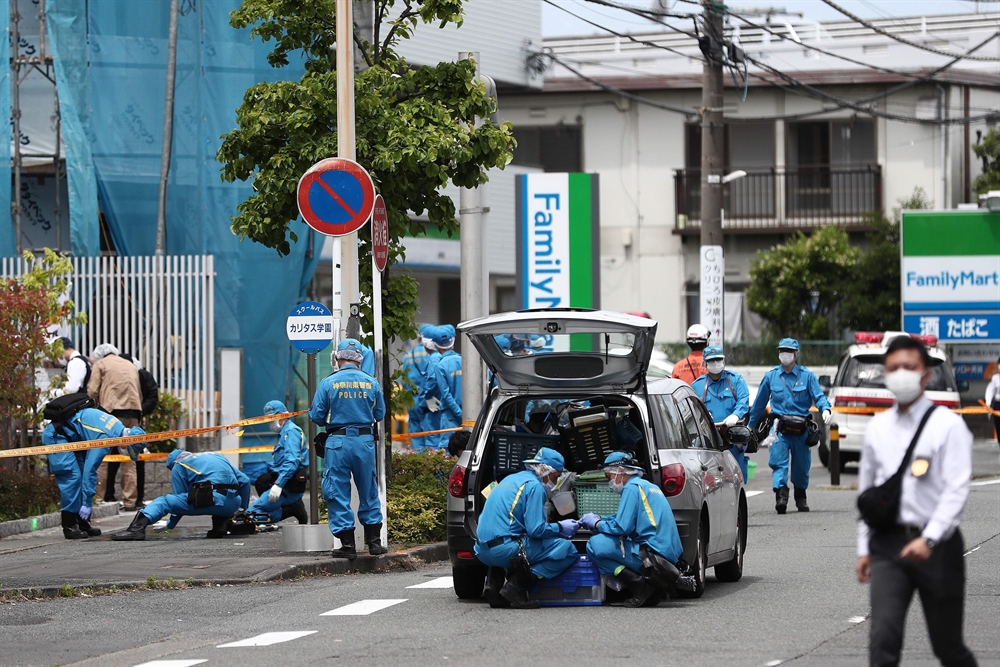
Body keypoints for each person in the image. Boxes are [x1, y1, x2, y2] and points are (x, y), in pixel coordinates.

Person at [855, 335, 977, 667]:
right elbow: (867, 494)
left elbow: (956, 489)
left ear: (926, 375)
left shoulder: (948, 426)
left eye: (909, 367)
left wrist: (931, 537)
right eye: (893, 368)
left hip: (937, 548)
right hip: (888, 547)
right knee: (883, 642)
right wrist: (864, 548)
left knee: (948, 646)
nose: (901, 374)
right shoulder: (878, 428)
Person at [309, 338, 387, 559]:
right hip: (364, 443)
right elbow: (379, 414)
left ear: (337, 357)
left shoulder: (328, 382)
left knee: (337, 491)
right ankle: (374, 542)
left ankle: (348, 546)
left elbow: (316, 416)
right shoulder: (371, 383)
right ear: (360, 359)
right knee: (368, 490)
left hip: (337, 443)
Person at [474, 447, 580, 609]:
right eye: (557, 476)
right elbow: (536, 530)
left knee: (513, 536)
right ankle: (515, 587)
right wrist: (560, 527)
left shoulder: (510, 479)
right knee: (567, 549)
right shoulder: (535, 486)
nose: (556, 482)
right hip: (504, 550)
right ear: (546, 470)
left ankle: (494, 584)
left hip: (481, 550)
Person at [581, 451, 684, 607]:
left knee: (596, 544)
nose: (610, 483)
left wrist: (596, 524)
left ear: (621, 471)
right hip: (666, 555)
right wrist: (602, 519)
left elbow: (622, 527)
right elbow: (627, 517)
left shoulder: (631, 489)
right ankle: (646, 586)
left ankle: (640, 586)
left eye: (609, 477)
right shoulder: (648, 486)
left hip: (653, 556)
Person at [749, 338, 832, 514]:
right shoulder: (771, 376)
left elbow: (819, 396)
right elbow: (758, 404)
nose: (785, 354)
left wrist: (825, 409)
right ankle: (781, 495)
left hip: (802, 427)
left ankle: (800, 496)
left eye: (789, 351)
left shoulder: (807, 376)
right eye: (782, 351)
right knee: (778, 462)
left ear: (796, 354)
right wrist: (750, 426)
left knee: (802, 465)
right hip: (780, 427)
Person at [43, 407, 145, 539]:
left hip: (72, 437)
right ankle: (69, 524)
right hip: (58, 436)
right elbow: (89, 472)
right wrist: (86, 503)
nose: (126, 451)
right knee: (73, 477)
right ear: (127, 441)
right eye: (130, 448)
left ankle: (81, 522)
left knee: (79, 474)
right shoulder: (106, 437)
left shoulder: (117, 426)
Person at [112, 449, 251, 541]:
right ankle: (219, 527)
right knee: (216, 495)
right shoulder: (217, 456)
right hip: (233, 502)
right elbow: (244, 481)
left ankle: (136, 529)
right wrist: (241, 510)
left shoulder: (179, 465)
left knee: (164, 501)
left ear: (174, 463)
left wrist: (170, 524)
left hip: (213, 500)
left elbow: (178, 500)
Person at [88, 343, 143, 511]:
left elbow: (92, 390)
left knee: (102, 456)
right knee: (129, 458)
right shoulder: (130, 365)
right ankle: (130, 501)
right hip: (133, 412)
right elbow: (139, 392)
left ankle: (98, 498)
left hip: (111, 413)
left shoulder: (101, 364)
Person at [691, 345, 751, 482]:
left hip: (732, 435)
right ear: (705, 363)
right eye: (711, 361)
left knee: (736, 476)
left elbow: (744, 399)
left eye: (718, 360)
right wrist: (703, 417)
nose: (715, 363)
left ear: (723, 361)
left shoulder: (736, 380)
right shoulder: (697, 385)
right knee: (711, 477)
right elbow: (691, 408)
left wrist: (735, 415)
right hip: (709, 437)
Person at [246, 400, 308, 524]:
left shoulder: (291, 432)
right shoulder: (285, 433)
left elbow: (292, 461)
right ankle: (291, 508)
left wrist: (278, 485)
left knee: (251, 515)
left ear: (282, 416)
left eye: (272, 419)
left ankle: (291, 509)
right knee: (261, 482)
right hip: (285, 485)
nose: (270, 423)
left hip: (287, 487)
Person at [413, 325, 445, 453]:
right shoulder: (436, 357)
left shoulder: (434, 358)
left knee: (433, 443)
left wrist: (427, 397)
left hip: (432, 408)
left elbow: (431, 381)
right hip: (433, 406)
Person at [401, 324, 433, 450]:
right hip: (429, 400)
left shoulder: (407, 356)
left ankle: (419, 460)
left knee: (415, 432)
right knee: (431, 432)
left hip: (412, 401)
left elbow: (404, 380)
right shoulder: (432, 355)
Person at [430, 327, 462, 450]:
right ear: (453, 340)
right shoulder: (465, 360)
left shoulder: (440, 365)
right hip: (470, 413)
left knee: (448, 449)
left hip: (450, 415)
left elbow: (445, 393)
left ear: (436, 345)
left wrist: (459, 414)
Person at [985, 355, 1000, 454]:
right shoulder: (995, 378)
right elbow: (990, 391)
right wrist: (988, 405)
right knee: (999, 430)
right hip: (998, 404)